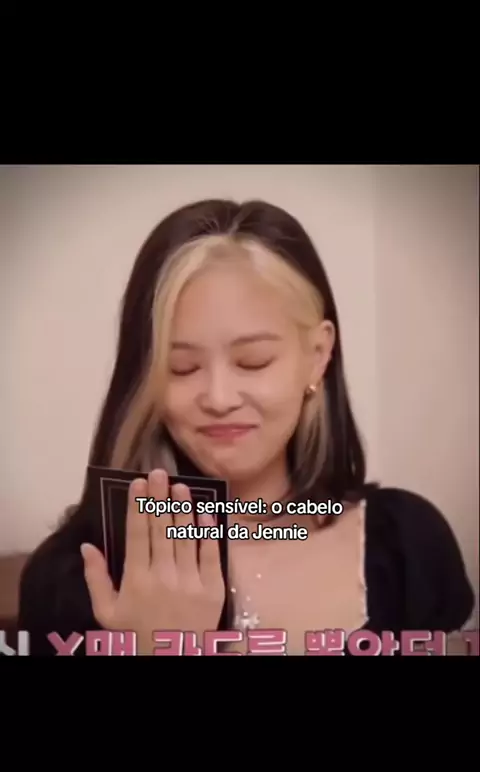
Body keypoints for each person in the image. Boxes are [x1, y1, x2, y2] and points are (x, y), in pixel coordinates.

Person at [18, 198, 475, 655]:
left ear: (317, 356)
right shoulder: (76, 578)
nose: (219, 399)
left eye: (253, 361)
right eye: (181, 368)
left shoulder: (410, 544)